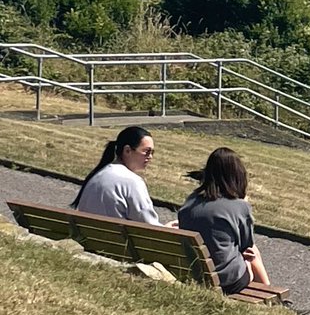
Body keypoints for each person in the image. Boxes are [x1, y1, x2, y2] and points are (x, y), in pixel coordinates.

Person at [178, 147, 270, 294]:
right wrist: (243, 204)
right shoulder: (239, 206)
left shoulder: (190, 202)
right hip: (227, 281)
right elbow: (246, 245)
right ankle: (273, 295)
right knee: (253, 254)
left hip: (195, 275)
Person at [72, 126, 163, 226]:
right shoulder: (132, 182)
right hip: (117, 240)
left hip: (91, 239)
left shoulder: (98, 175)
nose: (150, 157)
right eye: (147, 151)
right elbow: (149, 226)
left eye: (152, 153)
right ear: (127, 150)